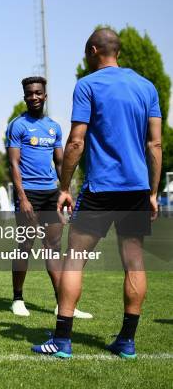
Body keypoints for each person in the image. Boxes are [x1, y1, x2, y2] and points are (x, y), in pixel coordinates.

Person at [32, 28, 162, 358]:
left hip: (101, 188)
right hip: (137, 188)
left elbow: (76, 141)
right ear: (116, 51)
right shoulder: (147, 87)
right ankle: (127, 341)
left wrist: (63, 187)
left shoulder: (87, 85)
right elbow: (155, 144)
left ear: (93, 50)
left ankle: (61, 341)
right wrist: (153, 192)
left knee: (74, 260)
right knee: (134, 261)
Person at [6, 76, 91, 319]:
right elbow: (13, 164)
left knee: (53, 247)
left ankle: (62, 304)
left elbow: (61, 162)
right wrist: (22, 197)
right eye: (29, 93)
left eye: (37, 93)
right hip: (28, 193)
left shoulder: (54, 127)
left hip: (50, 193)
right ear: (25, 97)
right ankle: (17, 299)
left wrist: (66, 191)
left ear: (45, 95)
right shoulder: (17, 126)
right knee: (25, 245)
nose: (33, 97)